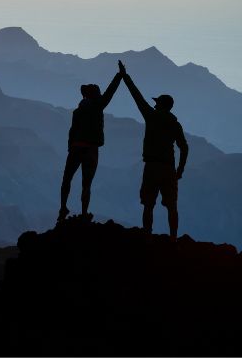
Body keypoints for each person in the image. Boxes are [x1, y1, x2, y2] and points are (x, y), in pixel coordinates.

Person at [118, 60, 188, 241]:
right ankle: (173, 239)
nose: (155, 105)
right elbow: (184, 147)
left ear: (160, 105)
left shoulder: (151, 116)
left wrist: (125, 76)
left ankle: (147, 237)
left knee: (148, 205)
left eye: (157, 103)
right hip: (169, 168)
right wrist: (180, 169)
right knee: (172, 206)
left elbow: (137, 96)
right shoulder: (175, 124)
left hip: (152, 167)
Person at [58, 69, 122, 223]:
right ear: (95, 94)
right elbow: (110, 91)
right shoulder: (98, 106)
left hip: (75, 148)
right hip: (91, 150)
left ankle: (63, 207)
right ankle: (84, 213)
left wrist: (70, 147)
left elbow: (72, 131)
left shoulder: (78, 111)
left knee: (67, 180)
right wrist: (119, 75)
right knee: (86, 184)